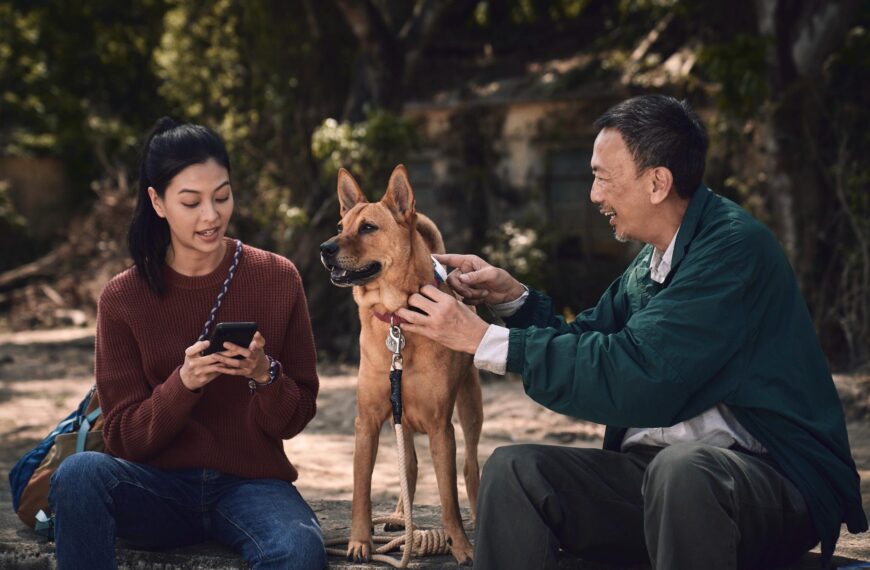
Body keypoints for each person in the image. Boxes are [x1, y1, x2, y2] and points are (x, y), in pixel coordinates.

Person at [394, 95, 867, 569]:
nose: (594, 195)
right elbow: (590, 342)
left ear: (658, 182)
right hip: (658, 480)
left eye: (602, 177)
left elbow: (641, 372)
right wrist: (511, 299)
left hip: (769, 484)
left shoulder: (731, 251)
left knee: (683, 468)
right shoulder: (653, 259)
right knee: (514, 470)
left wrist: (480, 340)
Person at [48, 118, 326, 569]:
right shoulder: (123, 297)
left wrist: (264, 375)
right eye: (191, 202)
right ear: (157, 202)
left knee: (299, 550)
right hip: (154, 486)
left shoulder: (277, 278)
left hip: (251, 485)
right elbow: (122, 438)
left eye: (222, 196)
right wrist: (183, 384)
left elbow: (296, 416)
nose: (211, 216)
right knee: (79, 474)